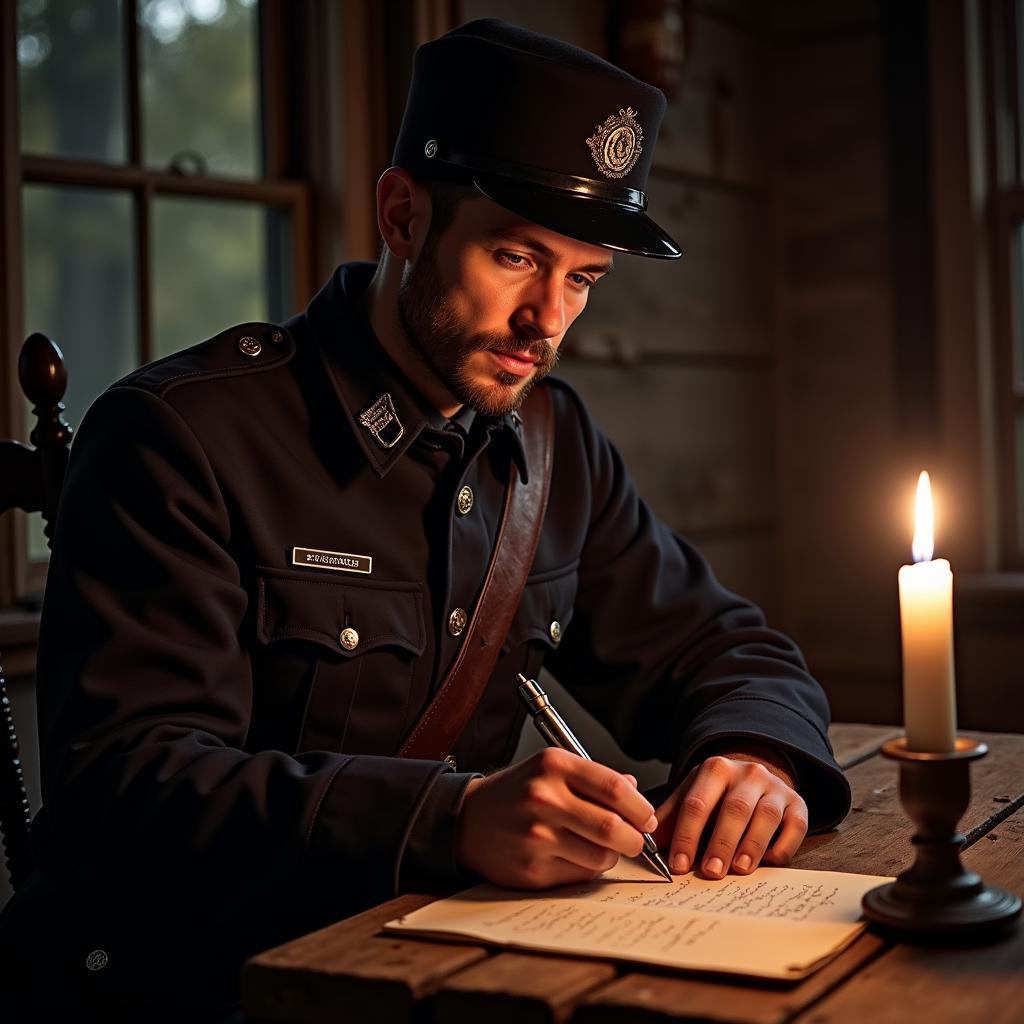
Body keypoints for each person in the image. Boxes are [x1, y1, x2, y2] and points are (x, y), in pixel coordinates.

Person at [0, 18, 851, 1021]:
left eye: (581, 276)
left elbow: (724, 643)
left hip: (443, 980)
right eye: (515, 256)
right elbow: (126, 791)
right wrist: (445, 818)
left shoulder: (553, 442)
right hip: (194, 991)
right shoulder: (179, 437)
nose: (549, 320)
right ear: (403, 218)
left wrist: (757, 755)